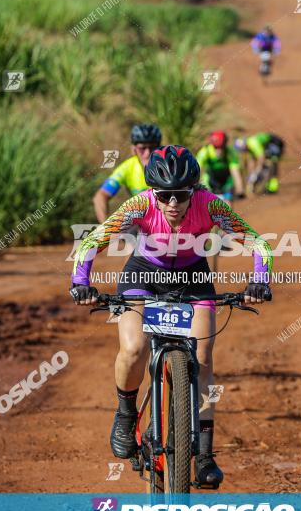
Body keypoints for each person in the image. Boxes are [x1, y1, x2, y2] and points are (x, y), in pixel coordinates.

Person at [70, 145, 273, 488]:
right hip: (144, 274)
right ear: (154, 192)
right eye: (166, 196)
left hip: (193, 277)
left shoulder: (210, 204)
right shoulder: (140, 205)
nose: (174, 204)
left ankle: (205, 456)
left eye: (181, 195)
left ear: (193, 190)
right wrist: (81, 282)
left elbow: (256, 242)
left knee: (204, 358)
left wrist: (259, 280)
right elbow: (93, 240)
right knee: (134, 349)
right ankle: (125, 414)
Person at [93, 124, 162, 222]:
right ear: (134, 150)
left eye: (152, 147)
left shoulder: (169, 166)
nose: (147, 153)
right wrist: (106, 230)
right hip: (142, 221)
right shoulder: (127, 167)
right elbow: (100, 196)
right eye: (142, 148)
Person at [196, 130, 245, 200]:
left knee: (228, 203)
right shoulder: (205, 152)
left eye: (221, 147)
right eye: (215, 147)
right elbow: (197, 170)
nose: (219, 151)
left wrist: (240, 188)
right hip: (210, 180)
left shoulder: (230, 153)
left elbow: (235, 172)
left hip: (226, 181)